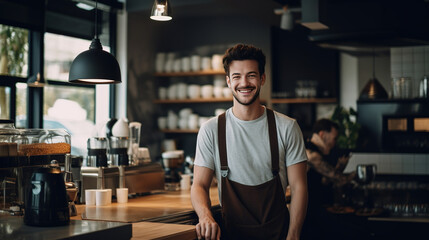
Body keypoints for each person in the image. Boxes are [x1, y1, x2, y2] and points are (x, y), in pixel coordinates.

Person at [190, 43, 308, 240]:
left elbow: (299, 187)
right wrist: (205, 216)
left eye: (251, 75)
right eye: (236, 76)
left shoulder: (287, 127)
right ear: (228, 81)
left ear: (262, 78)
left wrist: (293, 236)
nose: (244, 83)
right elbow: (199, 185)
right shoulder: (210, 130)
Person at [302, 118, 356, 240]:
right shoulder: (311, 154)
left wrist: (340, 167)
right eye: (334, 138)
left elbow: (325, 181)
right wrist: (358, 174)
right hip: (309, 212)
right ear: (322, 134)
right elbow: (339, 179)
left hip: (316, 209)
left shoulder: (316, 152)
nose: (334, 143)